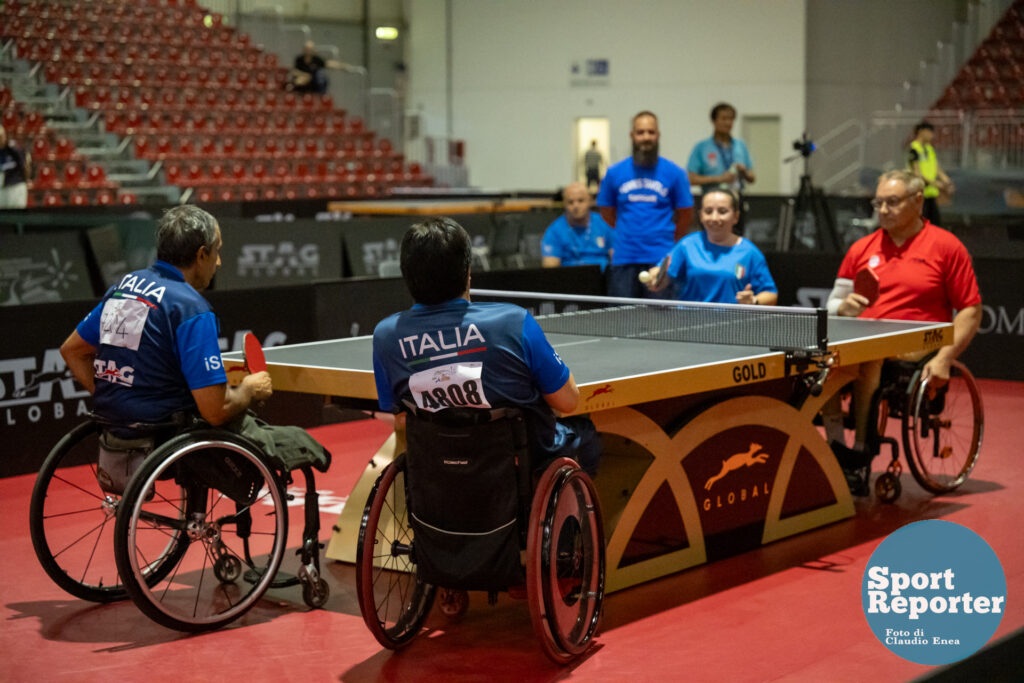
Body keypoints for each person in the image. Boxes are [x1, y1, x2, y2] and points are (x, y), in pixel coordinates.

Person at [60, 206, 326, 487]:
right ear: (201, 255)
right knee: (295, 439)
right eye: (217, 251)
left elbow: (72, 351)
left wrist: (120, 403)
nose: (219, 262)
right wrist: (249, 388)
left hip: (115, 427)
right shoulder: (190, 308)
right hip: (166, 434)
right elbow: (215, 411)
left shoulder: (126, 286)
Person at [372, 216, 599, 476]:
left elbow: (401, 420)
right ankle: (573, 516)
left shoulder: (386, 336)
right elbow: (568, 401)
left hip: (439, 468)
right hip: (519, 466)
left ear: (406, 273)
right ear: (468, 272)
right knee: (585, 432)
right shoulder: (512, 323)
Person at [823, 170, 981, 494]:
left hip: (918, 343)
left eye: (892, 202)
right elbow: (834, 303)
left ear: (918, 201)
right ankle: (835, 453)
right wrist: (844, 308)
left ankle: (861, 453)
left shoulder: (947, 247)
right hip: (864, 340)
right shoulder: (861, 248)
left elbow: (970, 309)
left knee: (872, 359)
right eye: (878, 202)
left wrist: (946, 358)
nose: (882, 210)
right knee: (822, 363)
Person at [597, 111, 694, 299]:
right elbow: (607, 212)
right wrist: (629, 231)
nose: (646, 137)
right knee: (621, 322)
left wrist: (665, 239)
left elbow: (686, 215)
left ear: (658, 135)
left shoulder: (675, 173)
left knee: (662, 324)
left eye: (651, 132)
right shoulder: (614, 172)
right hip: (624, 259)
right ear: (632, 136)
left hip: (661, 260)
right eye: (641, 132)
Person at [642, 187, 777, 305]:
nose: (714, 218)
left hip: (732, 326)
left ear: (735, 217)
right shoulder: (687, 245)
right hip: (689, 324)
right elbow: (664, 275)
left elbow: (771, 294)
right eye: (708, 211)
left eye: (722, 211)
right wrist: (655, 278)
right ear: (701, 215)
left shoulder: (750, 253)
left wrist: (753, 301)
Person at [541, 182, 614, 272]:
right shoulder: (554, 230)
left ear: (590, 201)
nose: (576, 206)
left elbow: (617, 258)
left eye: (580, 201)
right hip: (570, 280)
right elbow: (550, 267)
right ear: (564, 204)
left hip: (602, 279)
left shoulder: (605, 223)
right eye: (570, 202)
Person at [687, 103, 755, 195]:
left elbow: (752, 178)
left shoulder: (740, 145)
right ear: (713, 121)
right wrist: (719, 179)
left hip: (737, 198)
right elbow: (690, 179)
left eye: (731, 119)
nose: (728, 123)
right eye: (724, 119)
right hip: (711, 198)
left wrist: (744, 172)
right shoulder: (702, 147)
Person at [907, 121, 954, 225]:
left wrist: (947, 182)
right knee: (921, 224)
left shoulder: (929, 149)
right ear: (921, 132)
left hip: (930, 193)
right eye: (929, 132)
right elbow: (917, 173)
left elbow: (937, 169)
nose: (931, 135)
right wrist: (937, 184)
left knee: (935, 223)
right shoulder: (914, 150)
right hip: (919, 194)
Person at [0, 124, 30, 209]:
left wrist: (25, 180)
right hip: (2, 189)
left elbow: (25, 166)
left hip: (16, 187)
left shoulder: (14, 149)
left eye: (1, 136)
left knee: (17, 214)